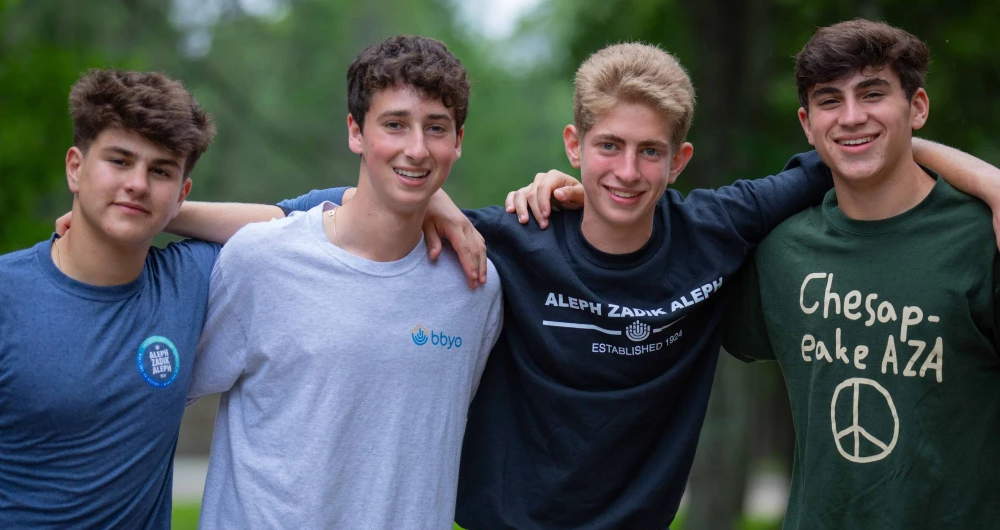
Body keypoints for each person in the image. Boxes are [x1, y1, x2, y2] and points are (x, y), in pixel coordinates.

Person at [289, 41, 840, 528]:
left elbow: (845, 153)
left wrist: (929, 152)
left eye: (650, 152)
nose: (627, 171)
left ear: (679, 161)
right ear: (574, 146)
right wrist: (432, 196)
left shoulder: (713, 230)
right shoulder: (511, 240)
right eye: (609, 146)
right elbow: (333, 214)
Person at [186, 35, 503, 529]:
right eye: (395, 124)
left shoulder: (476, 286)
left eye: (436, 128)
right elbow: (150, 404)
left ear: (458, 142)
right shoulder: (260, 261)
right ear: (356, 132)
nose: (416, 149)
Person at [721, 19, 1000, 529]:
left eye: (872, 94)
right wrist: (588, 207)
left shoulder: (983, 238)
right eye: (830, 100)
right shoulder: (781, 250)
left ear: (916, 108)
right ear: (807, 124)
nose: (851, 117)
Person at [0, 69, 218, 528]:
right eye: (119, 162)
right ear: (75, 168)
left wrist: (166, 215)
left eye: (160, 171)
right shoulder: (8, 295)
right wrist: (148, 206)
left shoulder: (190, 278)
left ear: (183, 192)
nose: (138, 183)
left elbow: (328, 213)